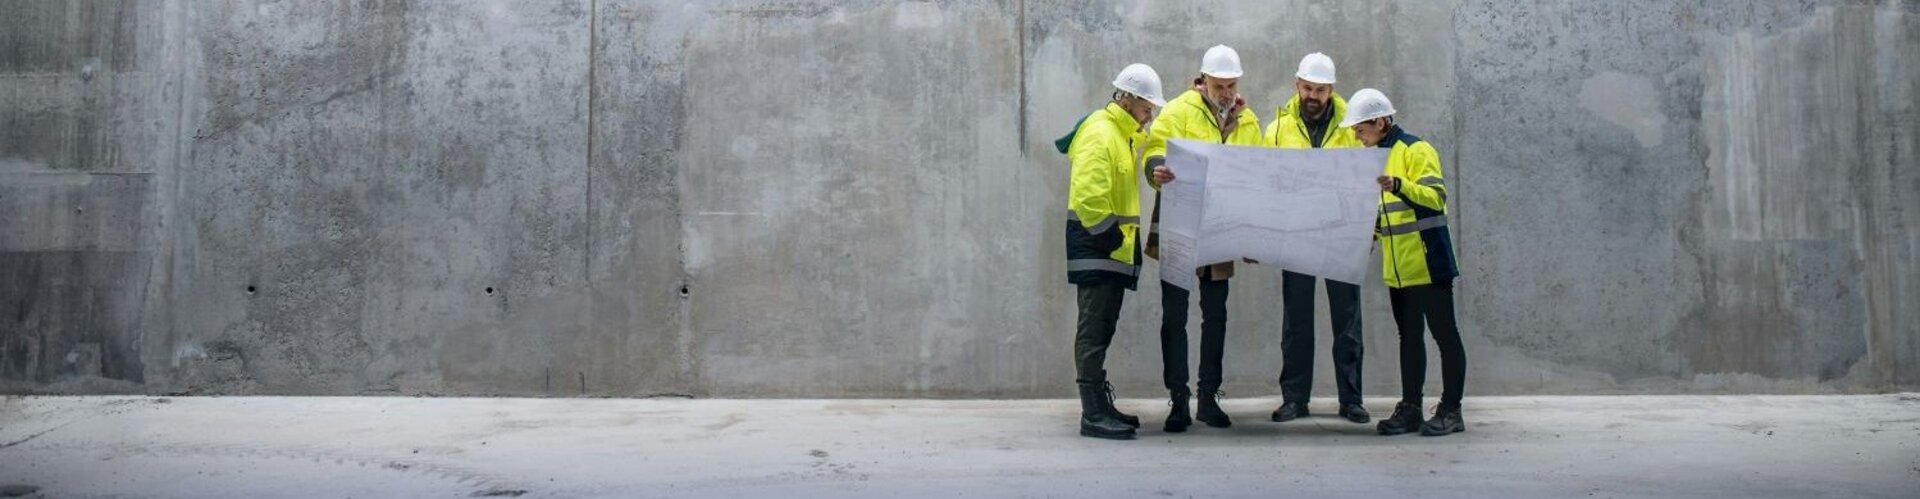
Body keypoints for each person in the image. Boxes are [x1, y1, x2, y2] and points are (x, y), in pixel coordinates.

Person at [1142, 45, 1263, 432]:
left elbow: (1256, 171)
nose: (1226, 92)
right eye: (1219, 84)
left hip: (1220, 226)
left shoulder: (1248, 121)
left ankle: (1208, 399)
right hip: (1179, 221)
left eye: (1231, 85)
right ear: (1202, 80)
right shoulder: (1178, 110)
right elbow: (1155, 148)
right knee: (1174, 316)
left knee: (1216, 316)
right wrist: (1157, 168)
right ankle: (1179, 400)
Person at [1342, 88, 1467, 437]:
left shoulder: (1416, 149)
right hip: (1398, 270)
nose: (1356, 135)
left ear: (1380, 121)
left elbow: (1435, 198)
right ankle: (1411, 407)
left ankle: (1451, 410)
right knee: (1409, 338)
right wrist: (1367, 238)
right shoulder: (1375, 156)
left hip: (1429, 262)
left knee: (1445, 336)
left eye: (1361, 128)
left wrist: (1398, 184)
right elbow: (1388, 216)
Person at [1264, 53, 1370, 424]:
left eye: (1320, 90)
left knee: (1347, 321)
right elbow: (1266, 183)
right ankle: (1294, 399)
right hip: (1296, 235)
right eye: (1307, 87)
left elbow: (1368, 179)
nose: (1313, 95)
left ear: (1331, 89)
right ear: (1297, 85)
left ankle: (1352, 400)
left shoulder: (1354, 125)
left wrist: (1367, 228)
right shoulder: (1276, 129)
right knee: (1296, 322)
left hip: (1342, 235)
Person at [1062, 63, 1166, 440]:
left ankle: (1100, 404)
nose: (1149, 112)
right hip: (1099, 247)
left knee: (1103, 328)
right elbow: (1088, 196)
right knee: (1092, 330)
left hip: (1111, 249)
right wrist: (1108, 238)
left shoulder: (1120, 134)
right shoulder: (1100, 133)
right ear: (1127, 99)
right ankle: (1092, 414)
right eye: (1146, 106)